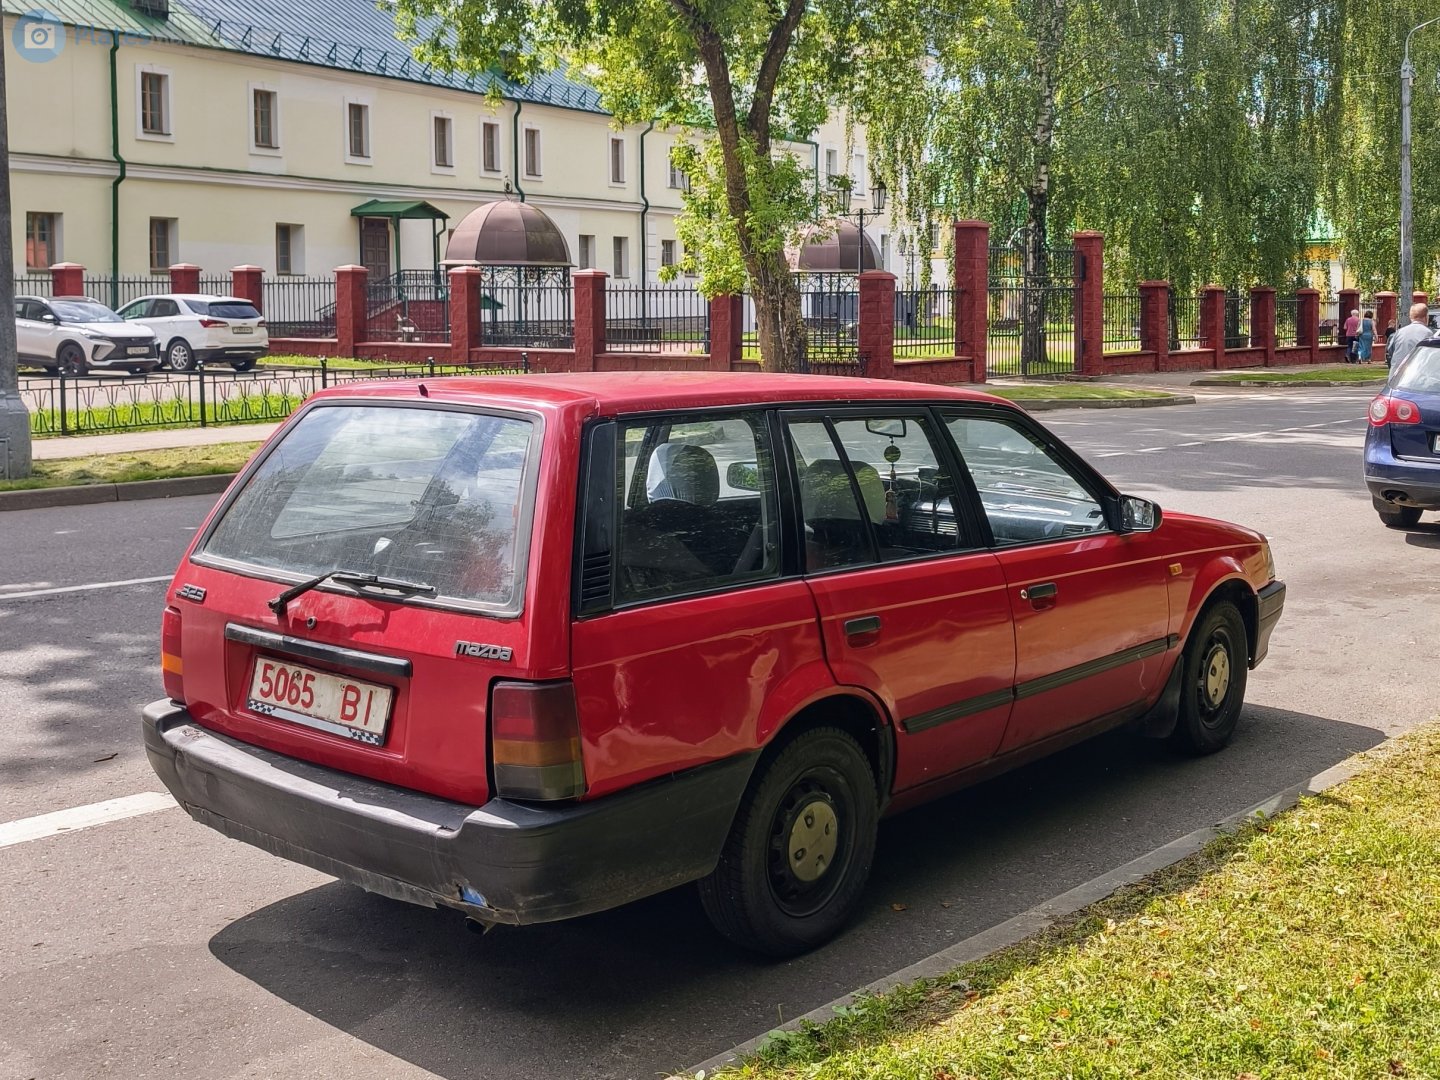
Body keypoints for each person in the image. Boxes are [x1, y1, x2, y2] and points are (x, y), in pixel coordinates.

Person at [1386, 302, 1434, 371]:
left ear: (1410, 317)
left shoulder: (1399, 332)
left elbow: (1391, 350)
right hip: (1415, 374)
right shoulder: (1427, 333)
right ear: (1426, 317)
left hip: (1397, 374)